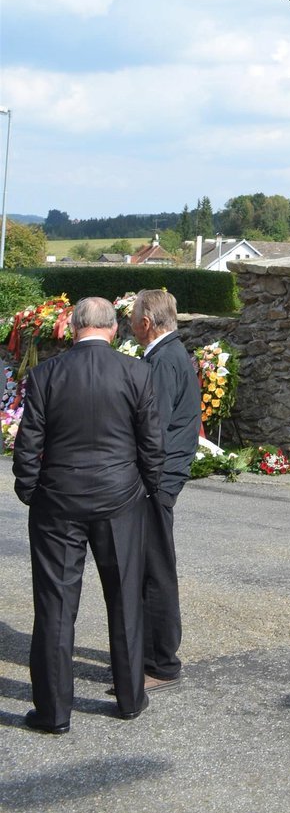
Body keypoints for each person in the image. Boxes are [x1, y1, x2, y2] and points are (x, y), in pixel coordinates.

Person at [12, 296, 166, 732]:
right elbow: (152, 443)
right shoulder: (136, 372)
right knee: (125, 600)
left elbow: (28, 444)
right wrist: (148, 491)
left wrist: (30, 491)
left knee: (56, 606)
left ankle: (54, 712)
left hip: (58, 502)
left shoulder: (46, 374)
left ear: (74, 326)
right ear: (113, 328)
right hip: (120, 500)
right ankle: (131, 699)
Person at [130, 288, 200, 690]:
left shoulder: (163, 360)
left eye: (134, 318)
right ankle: (149, 657)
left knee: (155, 571)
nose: (131, 325)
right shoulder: (169, 354)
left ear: (146, 322)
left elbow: (151, 429)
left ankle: (160, 664)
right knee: (151, 569)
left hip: (156, 480)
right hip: (163, 476)